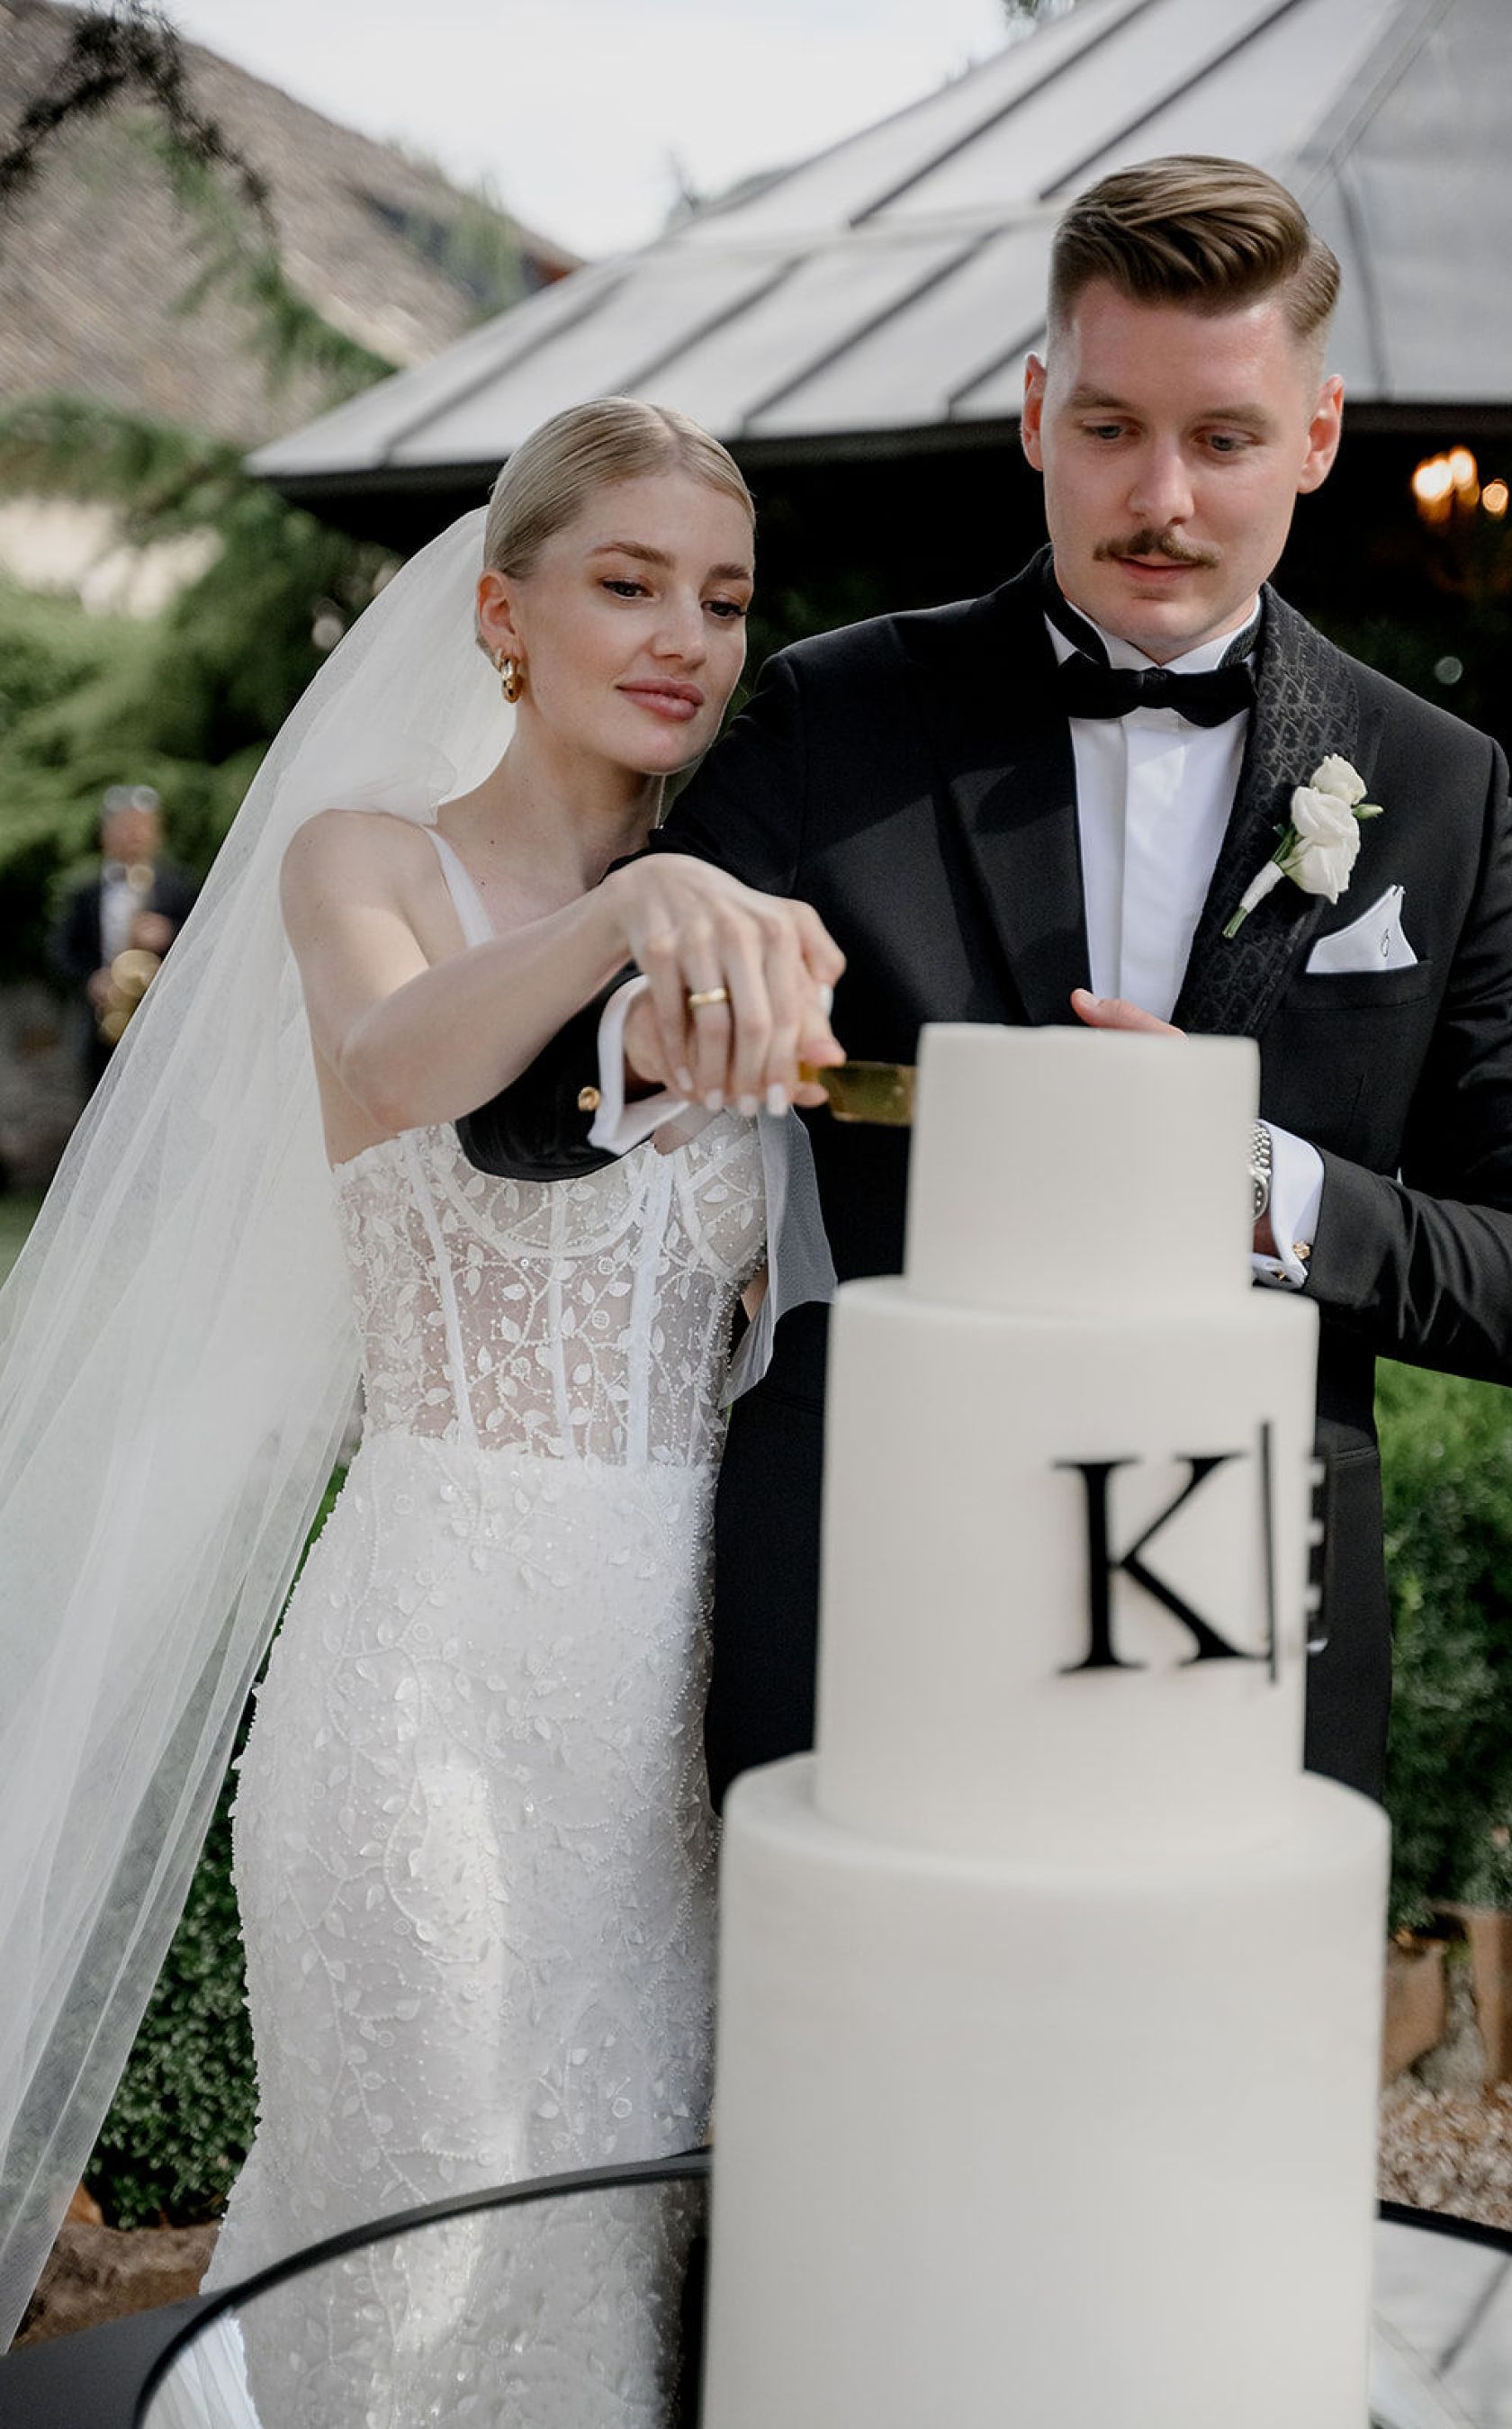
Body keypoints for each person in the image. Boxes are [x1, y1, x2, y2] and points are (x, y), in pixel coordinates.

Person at [459, 157, 1512, 1811]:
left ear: (1317, 434)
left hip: (1247, 1630)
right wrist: (661, 1020)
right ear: (1032, 411)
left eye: (1224, 439)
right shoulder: (835, 716)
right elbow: (516, 1109)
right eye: (1110, 426)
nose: (1161, 498)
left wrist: (1253, 1181)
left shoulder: (1436, 784)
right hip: (869, 1598)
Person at [0, 397, 842, 2414]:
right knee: (419, 2231)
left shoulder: (754, 909)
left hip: (670, 1705)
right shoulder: (365, 860)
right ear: (501, 611)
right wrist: (621, 913)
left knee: (608, 2250)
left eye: (724, 599)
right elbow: (393, 1066)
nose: (686, 637)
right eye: (628, 582)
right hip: (425, 1676)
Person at [48, 784, 197, 1096]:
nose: (134, 835)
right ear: (106, 834)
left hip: (164, 1024)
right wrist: (91, 979)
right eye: (125, 827)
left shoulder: (179, 887)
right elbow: (62, 951)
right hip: (103, 1028)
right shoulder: (85, 893)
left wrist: (169, 933)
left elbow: (203, 943)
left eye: (142, 827)